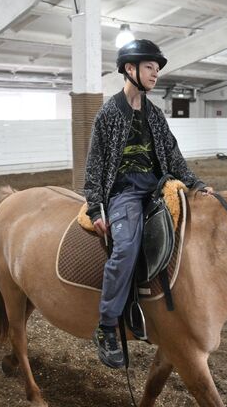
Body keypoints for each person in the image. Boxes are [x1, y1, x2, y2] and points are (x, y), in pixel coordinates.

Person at [84, 39, 214, 369]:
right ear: (130, 69)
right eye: (150, 68)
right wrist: (96, 206)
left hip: (158, 187)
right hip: (125, 192)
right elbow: (95, 164)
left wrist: (196, 184)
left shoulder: (155, 114)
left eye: (157, 69)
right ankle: (107, 326)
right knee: (126, 247)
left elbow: (173, 155)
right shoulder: (108, 114)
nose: (156, 74)